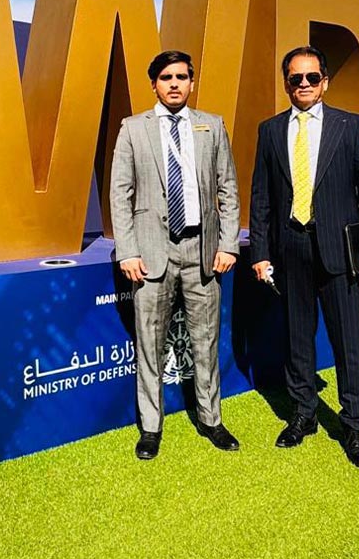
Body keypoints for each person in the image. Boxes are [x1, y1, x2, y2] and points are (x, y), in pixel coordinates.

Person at [248, 45, 359, 468]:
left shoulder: (350, 126)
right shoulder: (270, 131)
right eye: (295, 78)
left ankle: (353, 425)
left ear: (325, 81)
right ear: (286, 83)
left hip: (340, 252)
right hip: (290, 249)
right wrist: (259, 252)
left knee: (348, 343)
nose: (304, 85)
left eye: (312, 77)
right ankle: (304, 415)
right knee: (296, 340)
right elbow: (261, 199)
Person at [109, 50, 241, 460]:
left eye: (182, 76)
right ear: (154, 84)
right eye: (166, 77)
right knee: (150, 345)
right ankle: (150, 428)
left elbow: (229, 190)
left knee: (205, 340)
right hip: (151, 255)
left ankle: (211, 420)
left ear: (191, 82)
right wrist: (127, 250)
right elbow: (120, 194)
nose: (174, 84)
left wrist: (228, 243)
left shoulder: (212, 126)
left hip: (202, 252)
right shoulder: (132, 129)